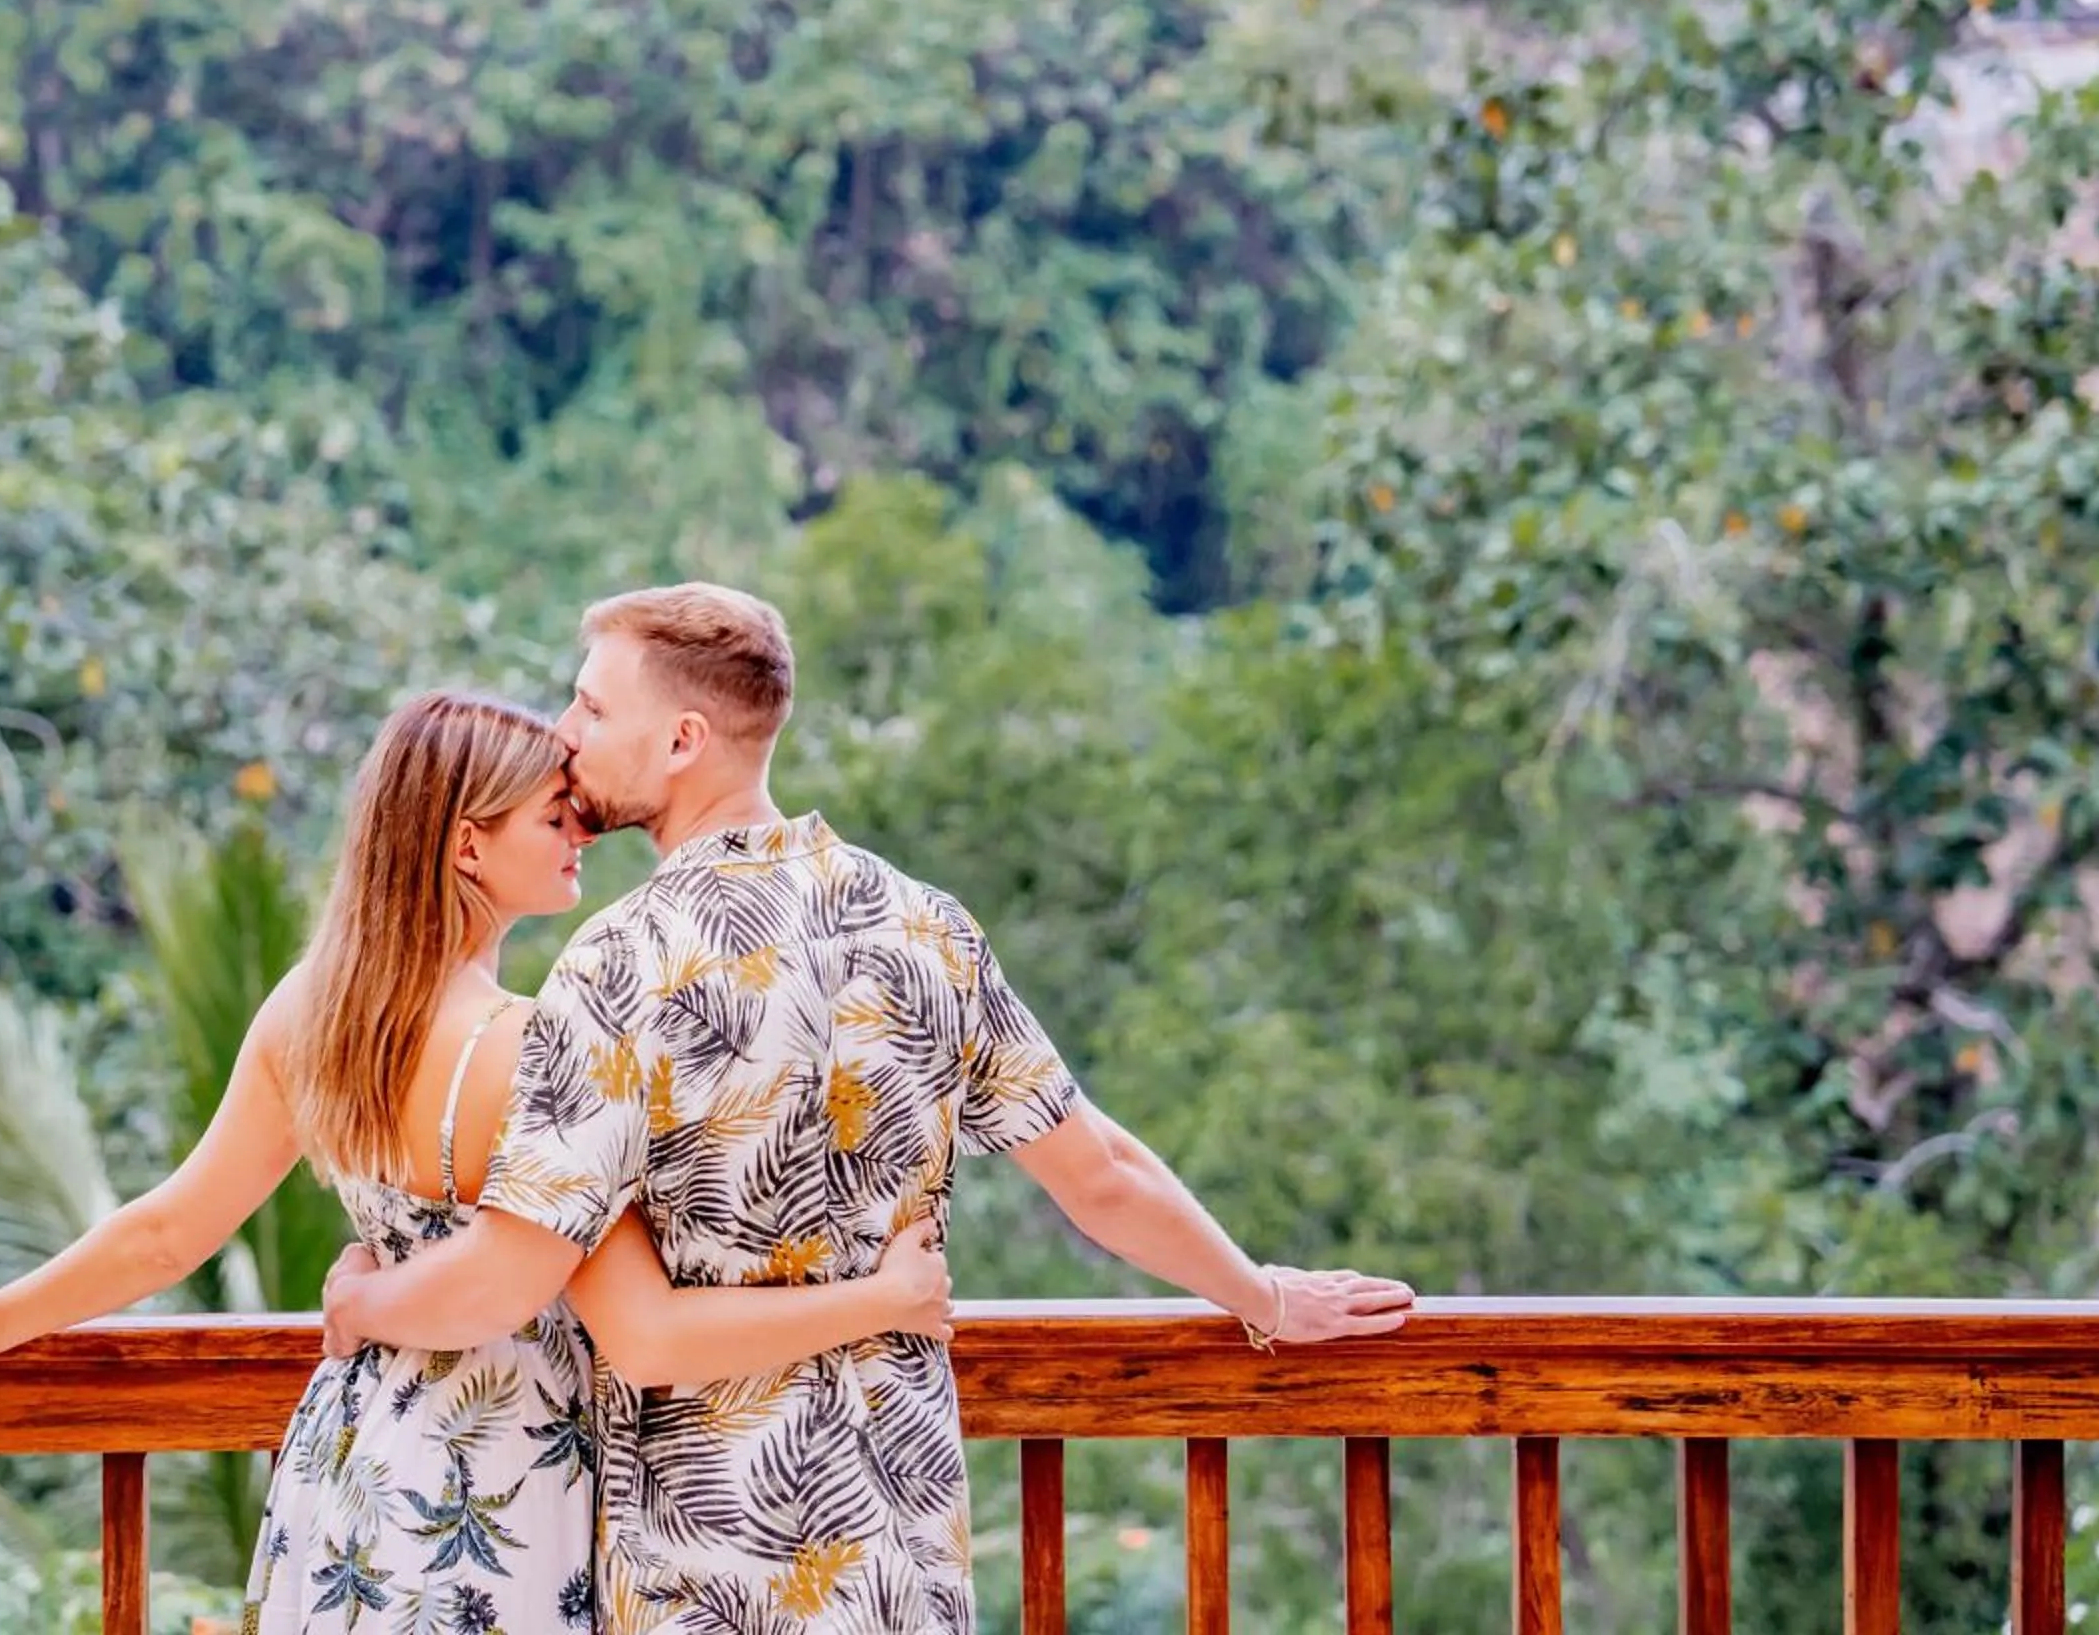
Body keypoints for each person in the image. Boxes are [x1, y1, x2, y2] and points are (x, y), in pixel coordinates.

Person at [321, 584, 1419, 1634]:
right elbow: (1100, 1174)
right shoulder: (924, 926)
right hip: (901, 1545)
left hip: (707, 1566)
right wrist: (1261, 1294)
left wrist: (363, 1301)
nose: (567, 735)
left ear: (683, 739)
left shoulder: (619, 963)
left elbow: (514, 1280)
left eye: (594, 707)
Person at [0, 689, 954, 1632]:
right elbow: (640, 1321)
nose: (581, 833)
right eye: (554, 816)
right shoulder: (533, 1044)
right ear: (468, 844)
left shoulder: (314, 1013)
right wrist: (885, 1296)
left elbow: (166, 1232)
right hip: (509, 1469)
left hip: (361, 1450)